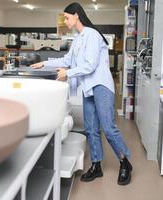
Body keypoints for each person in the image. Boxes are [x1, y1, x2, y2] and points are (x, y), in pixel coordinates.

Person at [31, 2, 133, 186]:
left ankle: (125, 162)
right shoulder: (77, 38)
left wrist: (67, 73)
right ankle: (96, 166)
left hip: (101, 85)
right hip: (88, 87)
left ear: (77, 15)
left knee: (108, 128)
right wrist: (44, 64)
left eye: (67, 17)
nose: (65, 20)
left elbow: (90, 65)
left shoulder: (92, 35)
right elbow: (67, 60)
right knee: (91, 129)